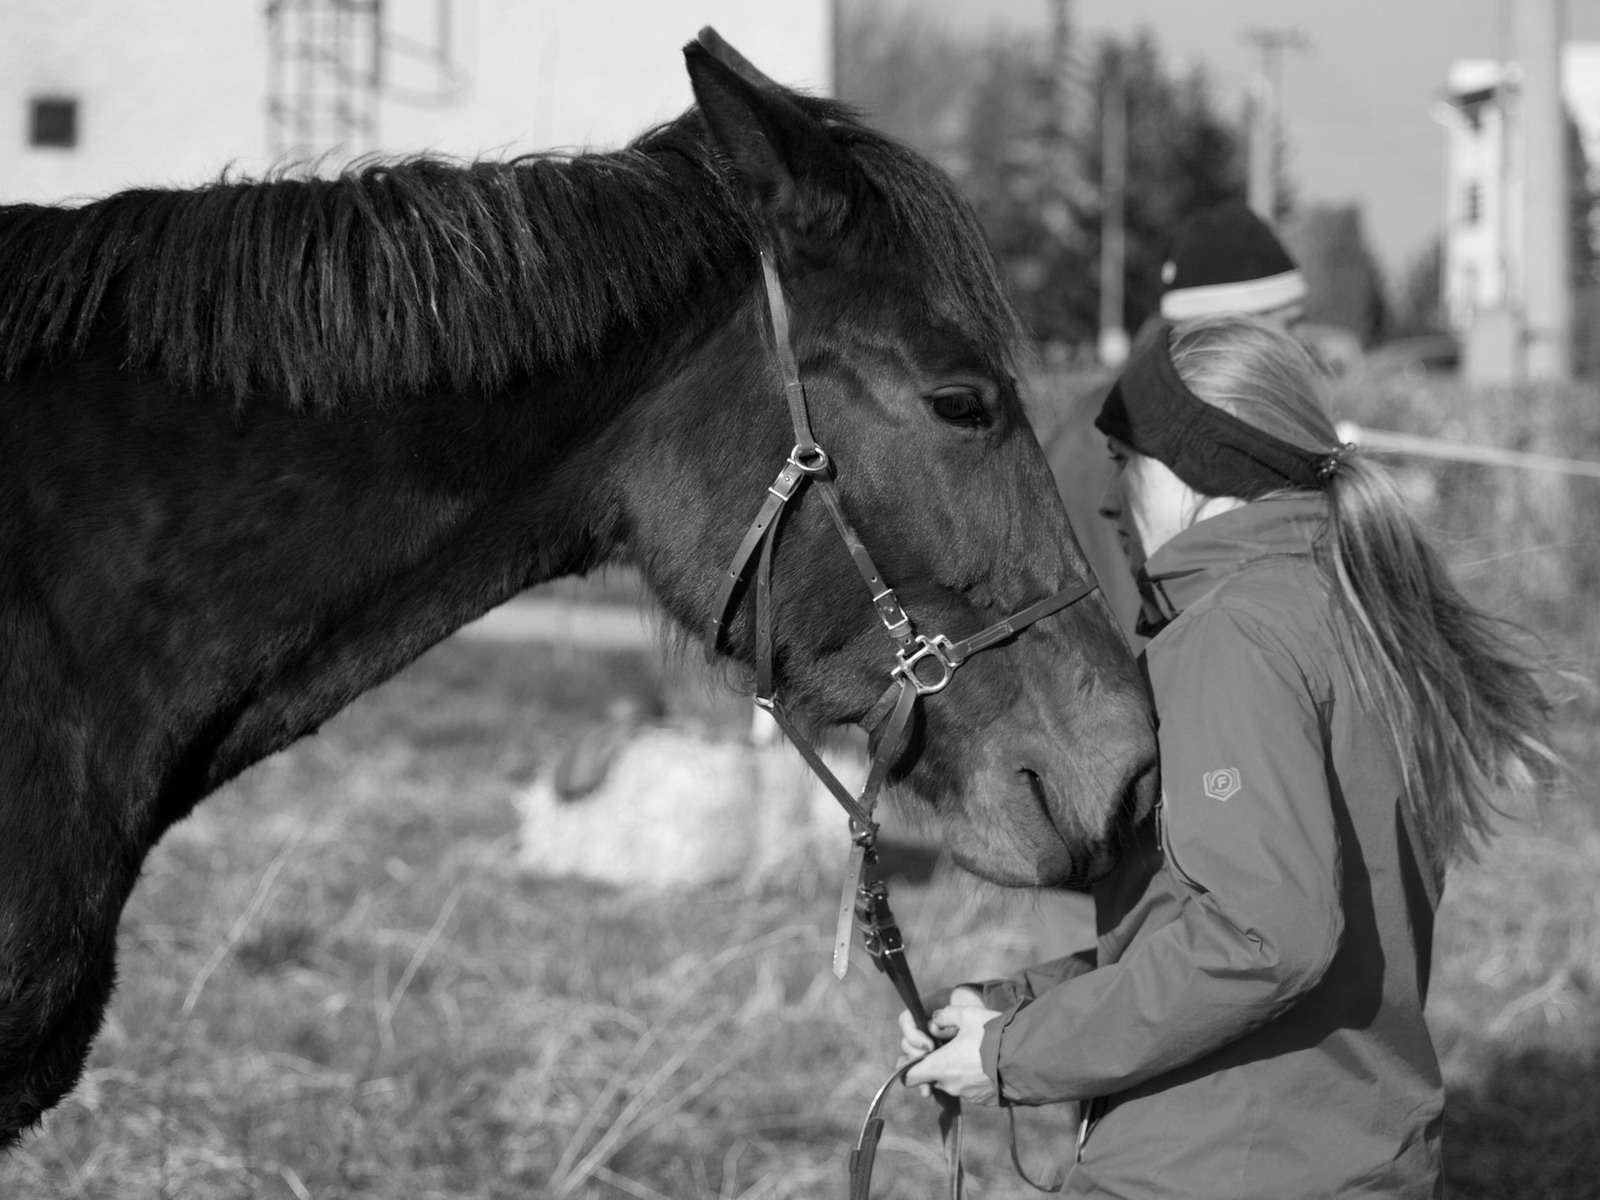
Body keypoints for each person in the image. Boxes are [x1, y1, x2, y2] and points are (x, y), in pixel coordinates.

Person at [899, 316, 1562, 1198]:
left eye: (1126, 461)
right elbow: (1205, 925)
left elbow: (1262, 939)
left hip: (1216, 1166)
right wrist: (1016, 1006)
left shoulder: (1234, 636)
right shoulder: (1350, 616)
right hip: (1342, 1157)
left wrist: (1016, 1055)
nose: (1110, 501)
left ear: (1196, 467)